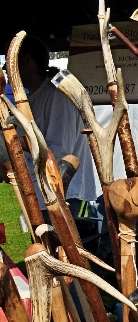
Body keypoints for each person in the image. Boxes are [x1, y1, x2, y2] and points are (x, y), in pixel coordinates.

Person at [1, 36, 97, 215]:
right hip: (40, 195)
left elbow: (59, 151)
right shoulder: (32, 100)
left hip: (62, 196)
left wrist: (18, 161)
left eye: (8, 63)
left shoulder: (57, 97)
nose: (6, 69)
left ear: (27, 60)